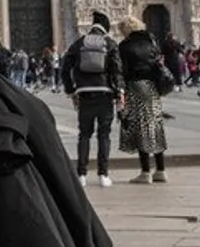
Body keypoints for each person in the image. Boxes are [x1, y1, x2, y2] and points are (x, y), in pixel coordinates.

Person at [62, 10, 123, 188]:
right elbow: (117, 70)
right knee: (104, 135)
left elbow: (65, 68)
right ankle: (103, 174)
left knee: (84, 134)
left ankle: (81, 174)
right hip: (105, 94)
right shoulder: (109, 43)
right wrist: (119, 92)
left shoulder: (79, 43)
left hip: (85, 94)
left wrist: (71, 90)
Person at [117, 16, 168, 184]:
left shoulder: (125, 46)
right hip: (152, 87)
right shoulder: (151, 42)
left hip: (135, 87)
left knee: (140, 128)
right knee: (155, 126)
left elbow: (122, 71)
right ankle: (160, 170)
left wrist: (120, 93)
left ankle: (145, 172)